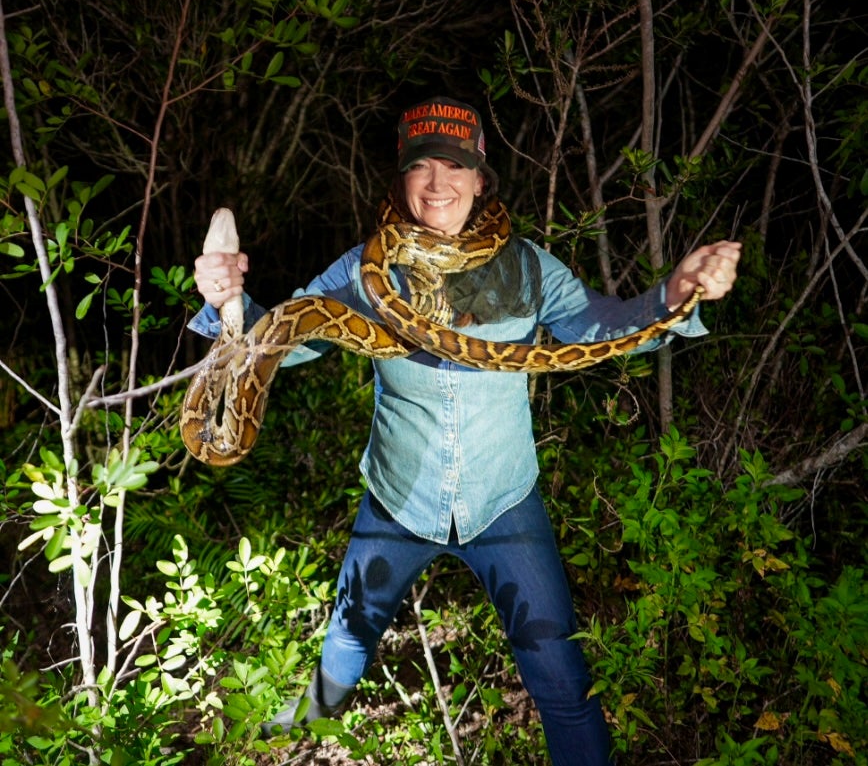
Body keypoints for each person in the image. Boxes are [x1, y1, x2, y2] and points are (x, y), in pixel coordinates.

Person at [189, 96, 741, 765]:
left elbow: (601, 326)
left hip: (504, 506)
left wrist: (673, 295)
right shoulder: (367, 268)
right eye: (420, 165)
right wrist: (227, 304)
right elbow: (285, 336)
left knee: (564, 685)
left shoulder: (528, 267)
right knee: (344, 651)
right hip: (397, 503)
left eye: (455, 165)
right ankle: (285, 726)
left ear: (482, 179)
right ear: (401, 181)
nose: (437, 182)